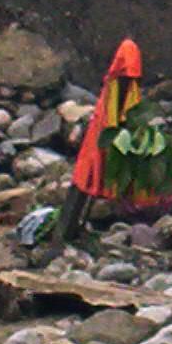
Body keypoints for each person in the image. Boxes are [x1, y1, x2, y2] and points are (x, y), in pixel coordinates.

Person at [54, 38, 143, 244]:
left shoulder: (118, 91)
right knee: (82, 189)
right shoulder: (119, 93)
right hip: (94, 154)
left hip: (97, 153)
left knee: (85, 187)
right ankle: (64, 238)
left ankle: (69, 236)